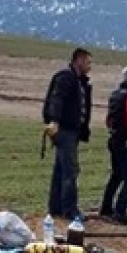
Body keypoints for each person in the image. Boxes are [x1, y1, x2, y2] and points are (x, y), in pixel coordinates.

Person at [43, 48, 93, 221]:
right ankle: (70, 210)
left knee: (60, 169)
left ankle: (55, 207)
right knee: (70, 170)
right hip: (65, 130)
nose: (89, 66)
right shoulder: (66, 77)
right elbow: (57, 99)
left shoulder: (79, 81)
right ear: (78, 60)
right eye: (88, 62)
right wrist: (54, 121)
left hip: (72, 131)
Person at [99, 66, 127, 225]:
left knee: (116, 175)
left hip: (114, 139)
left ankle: (106, 208)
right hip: (126, 142)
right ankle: (120, 212)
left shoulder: (115, 95)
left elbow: (109, 119)